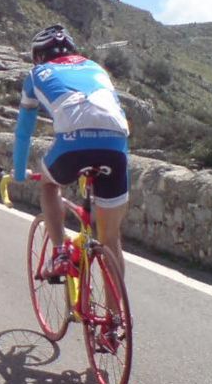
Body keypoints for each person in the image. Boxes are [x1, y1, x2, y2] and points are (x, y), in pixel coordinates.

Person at [13, 24, 130, 275]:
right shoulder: (96, 67)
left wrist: (20, 173)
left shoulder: (37, 74)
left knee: (49, 184)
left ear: (38, 56)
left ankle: (60, 253)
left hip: (73, 143)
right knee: (110, 240)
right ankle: (116, 314)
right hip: (116, 144)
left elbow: (23, 132)